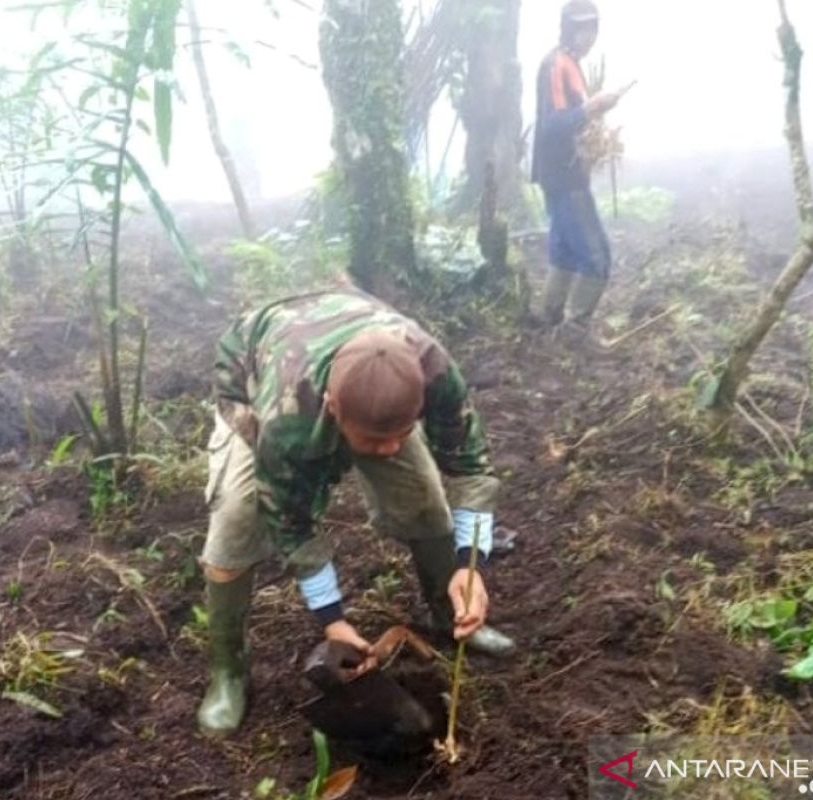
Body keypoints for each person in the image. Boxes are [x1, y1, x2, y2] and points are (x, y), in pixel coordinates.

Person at [196, 289, 516, 737]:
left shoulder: (433, 370)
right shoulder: (287, 420)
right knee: (237, 521)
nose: (388, 450)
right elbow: (290, 521)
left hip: (348, 352)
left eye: (400, 433)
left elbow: (470, 467)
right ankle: (228, 670)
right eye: (372, 442)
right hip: (254, 372)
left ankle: (450, 613)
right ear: (333, 408)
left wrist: (471, 565)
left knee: (423, 497)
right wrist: (333, 621)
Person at [532, 0, 623, 328]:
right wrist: (592, 108)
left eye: (592, 29)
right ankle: (574, 329)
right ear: (567, 29)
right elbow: (553, 125)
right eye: (581, 29)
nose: (588, 37)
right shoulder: (558, 64)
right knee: (597, 257)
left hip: (558, 175)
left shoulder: (568, 62)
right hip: (565, 176)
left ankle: (548, 318)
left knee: (565, 253)